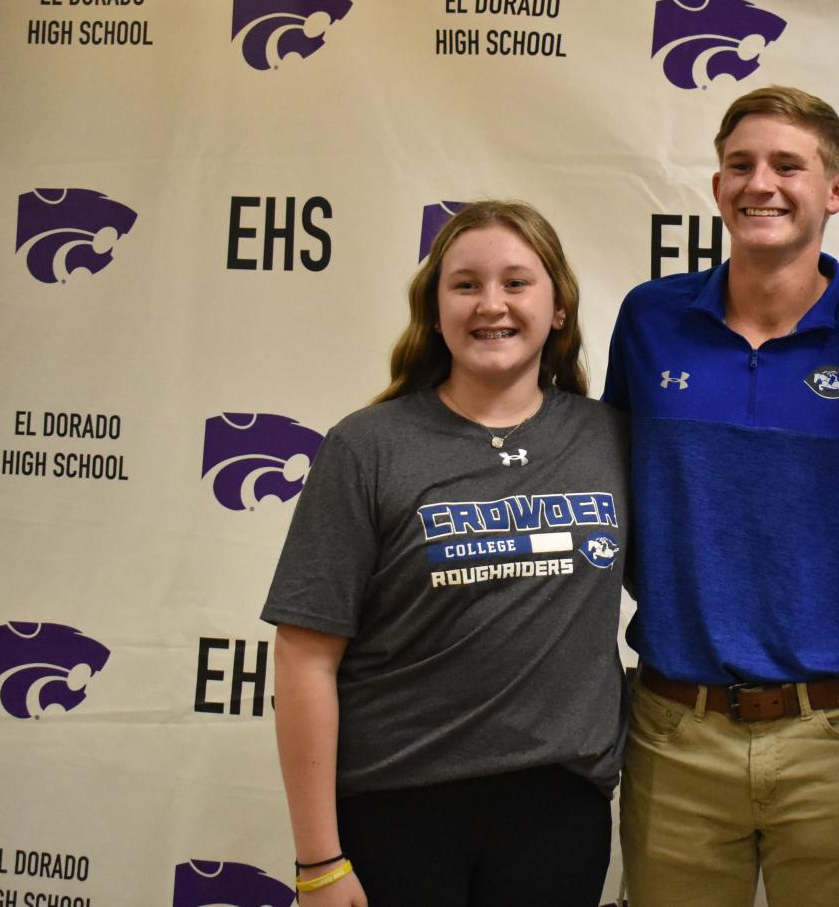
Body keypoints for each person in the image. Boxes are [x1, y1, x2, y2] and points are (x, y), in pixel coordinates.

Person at [604, 85, 839, 906]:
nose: (762, 184)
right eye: (740, 165)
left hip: (834, 730)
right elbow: (602, 500)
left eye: (790, 165)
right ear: (716, 187)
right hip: (674, 727)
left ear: (837, 191)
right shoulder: (649, 321)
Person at [264, 200, 628, 907]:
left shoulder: (610, 439)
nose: (491, 304)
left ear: (558, 308)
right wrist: (318, 861)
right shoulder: (366, 447)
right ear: (434, 310)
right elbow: (305, 655)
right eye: (465, 284)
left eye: (517, 282)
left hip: (557, 812)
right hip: (397, 811)